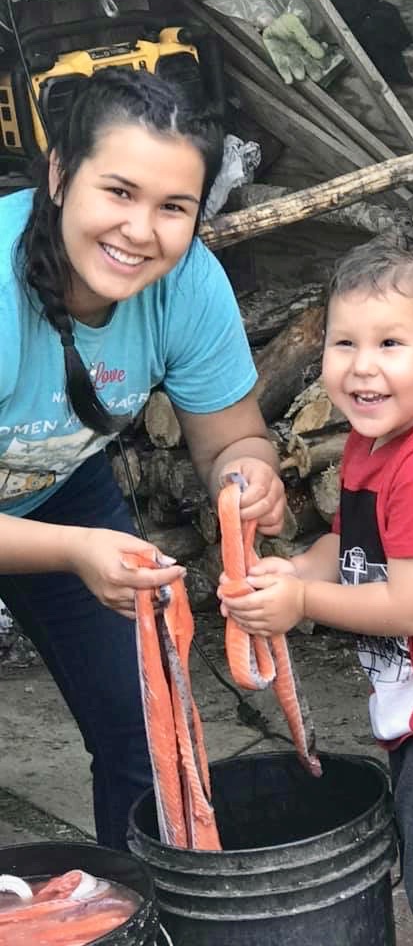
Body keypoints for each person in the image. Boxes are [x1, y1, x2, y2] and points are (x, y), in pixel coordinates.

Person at [221, 236, 413, 946]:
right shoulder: (375, 439)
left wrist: (302, 605)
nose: (363, 367)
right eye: (344, 343)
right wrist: (299, 569)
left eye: (391, 342)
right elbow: (354, 546)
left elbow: (412, 605)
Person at [0, 67, 285, 851]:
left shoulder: (188, 287)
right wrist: (72, 551)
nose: (139, 230)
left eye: (173, 208)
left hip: (51, 489)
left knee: (144, 722)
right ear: (60, 175)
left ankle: (139, 909)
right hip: (60, 525)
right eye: (118, 192)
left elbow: (235, 438)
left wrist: (246, 477)